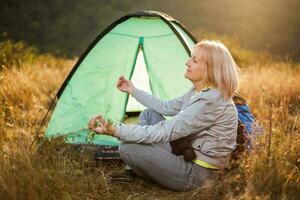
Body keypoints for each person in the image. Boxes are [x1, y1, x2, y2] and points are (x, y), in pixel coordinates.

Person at [88, 40, 240, 191]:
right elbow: (165, 107)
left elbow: (165, 131)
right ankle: (139, 165)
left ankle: (141, 164)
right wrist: (133, 91)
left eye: (194, 61)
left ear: (210, 69)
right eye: (190, 58)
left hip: (199, 175)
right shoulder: (196, 92)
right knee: (149, 114)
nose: (187, 63)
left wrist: (115, 130)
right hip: (187, 155)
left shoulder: (210, 101)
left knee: (127, 148)